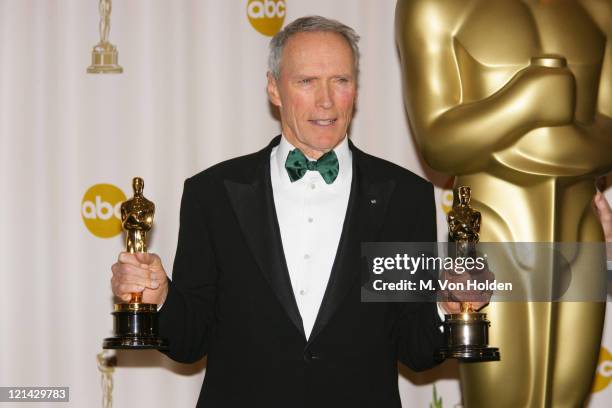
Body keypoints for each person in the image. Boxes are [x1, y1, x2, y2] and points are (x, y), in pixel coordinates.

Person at [111, 16, 487, 407]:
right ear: (274, 88)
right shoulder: (213, 193)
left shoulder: (404, 197)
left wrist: (448, 304)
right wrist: (163, 296)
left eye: (340, 81)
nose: (326, 100)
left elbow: (415, 348)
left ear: (355, 89)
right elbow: (190, 342)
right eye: (306, 81)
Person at [396, 0, 612, 406]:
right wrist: (523, 102)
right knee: (501, 396)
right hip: (491, 228)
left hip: (581, 229)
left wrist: (515, 142)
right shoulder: (434, 7)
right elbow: (439, 143)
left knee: (567, 394)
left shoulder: (600, 8)